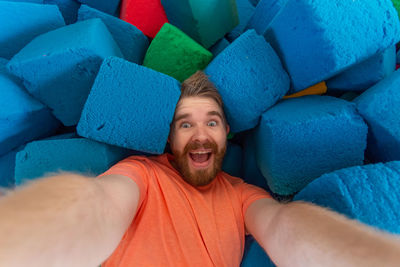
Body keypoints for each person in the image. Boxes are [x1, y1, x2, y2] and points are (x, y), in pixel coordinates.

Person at [0, 71, 400, 267]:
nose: (199, 135)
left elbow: (284, 226)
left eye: (211, 121)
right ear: (170, 140)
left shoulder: (242, 196)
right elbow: (97, 205)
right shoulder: (142, 174)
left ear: (226, 133)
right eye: (185, 124)